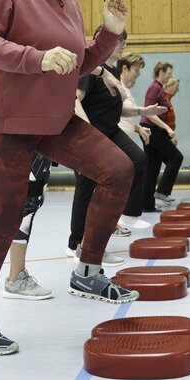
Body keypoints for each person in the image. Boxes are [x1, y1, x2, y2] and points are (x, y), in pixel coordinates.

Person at [0, 0, 138, 356]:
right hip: (6, 121)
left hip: (53, 119)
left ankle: (88, 271)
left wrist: (108, 36)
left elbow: (78, 62)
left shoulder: (66, 0)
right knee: (4, 221)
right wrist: (34, 59)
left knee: (118, 168)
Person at [67, 29, 168, 260]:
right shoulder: (91, 70)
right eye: (117, 40)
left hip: (111, 131)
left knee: (137, 160)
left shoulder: (112, 71)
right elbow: (74, 100)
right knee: (86, 188)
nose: (122, 44)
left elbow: (116, 108)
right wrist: (87, 131)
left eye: (124, 41)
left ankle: (125, 215)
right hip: (91, 134)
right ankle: (76, 244)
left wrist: (143, 111)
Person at [2, 153, 55, 300]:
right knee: (28, 204)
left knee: (31, 203)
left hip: (40, 140)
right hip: (28, 139)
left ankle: (16, 276)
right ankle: (15, 278)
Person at [141, 61, 184, 210]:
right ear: (160, 72)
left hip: (154, 129)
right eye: (168, 73)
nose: (170, 76)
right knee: (176, 157)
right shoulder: (154, 88)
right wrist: (167, 129)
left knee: (152, 167)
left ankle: (147, 204)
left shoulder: (159, 89)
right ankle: (162, 192)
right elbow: (149, 112)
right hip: (150, 129)